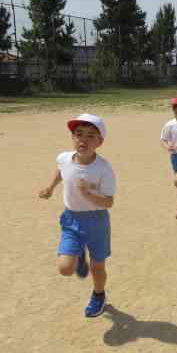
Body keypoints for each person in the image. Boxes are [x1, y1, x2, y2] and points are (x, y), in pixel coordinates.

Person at [38, 114, 115, 318]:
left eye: (91, 136)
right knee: (65, 268)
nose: (83, 139)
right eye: (79, 134)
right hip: (71, 219)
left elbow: (109, 202)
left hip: (97, 221)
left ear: (99, 142)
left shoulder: (104, 168)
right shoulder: (64, 158)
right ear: (73, 137)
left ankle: (99, 295)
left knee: (97, 267)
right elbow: (60, 169)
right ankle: (79, 253)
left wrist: (88, 194)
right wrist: (50, 187)